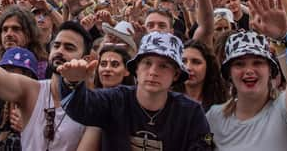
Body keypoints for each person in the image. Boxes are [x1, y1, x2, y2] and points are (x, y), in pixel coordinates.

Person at [0, 18, 97, 151]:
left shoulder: (95, 105)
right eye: (57, 45)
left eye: (69, 48)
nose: (60, 51)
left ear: (85, 58)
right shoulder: (33, 89)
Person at [57, 31, 214, 150]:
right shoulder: (115, 100)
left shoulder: (191, 112)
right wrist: (72, 82)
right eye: (147, 63)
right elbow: (79, 109)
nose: (153, 71)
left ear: (176, 74)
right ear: (136, 69)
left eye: (164, 65)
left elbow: (204, 145)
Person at [206, 0, 287, 151]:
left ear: (271, 70)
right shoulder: (214, 117)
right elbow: (203, 144)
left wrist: (282, 38)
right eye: (239, 64)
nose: (249, 70)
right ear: (228, 73)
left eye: (257, 63)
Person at [176, 39, 228, 112]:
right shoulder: (167, 100)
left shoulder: (222, 103)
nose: (188, 67)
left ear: (208, 66)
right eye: (183, 61)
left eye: (196, 62)